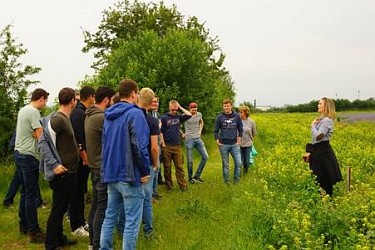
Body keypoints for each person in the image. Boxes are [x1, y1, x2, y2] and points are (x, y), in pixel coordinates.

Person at [100, 79, 150, 250]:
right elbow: (140, 146)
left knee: (110, 216)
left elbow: (105, 144)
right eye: (137, 94)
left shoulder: (108, 115)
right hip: (129, 174)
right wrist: (144, 170)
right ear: (134, 93)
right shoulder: (135, 114)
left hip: (111, 173)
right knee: (131, 221)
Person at [39, 87, 80, 250]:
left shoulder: (64, 118)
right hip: (63, 174)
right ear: (72, 101)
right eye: (75, 99)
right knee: (58, 209)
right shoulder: (58, 119)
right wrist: (54, 165)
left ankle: (60, 238)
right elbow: (42, 142)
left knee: (61, 208)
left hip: (69, 172)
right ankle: (51, 244)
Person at [14, 88, 49, 243]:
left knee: (25, 192)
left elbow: (33, 133)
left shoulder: (23, 109)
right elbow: (40, 135)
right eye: (46, 101)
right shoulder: (34, 111)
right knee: (31, 194)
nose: (45, 104)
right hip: (28, 156)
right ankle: (34, 232)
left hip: (19, 153)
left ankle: (24, 225)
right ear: (41, 98)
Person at [85, 86, 115, 250]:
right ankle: (97, 245)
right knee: (102, 208)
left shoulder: (89, 115)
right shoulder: (102, 118)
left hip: (94, 166)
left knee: (96, 205)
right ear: (107, 100)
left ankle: (92, 242)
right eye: (112, 99)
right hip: (102, 167)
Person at [69, 86, 95, 237]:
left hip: (83, 160)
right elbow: (79, 139)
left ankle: (81, 221)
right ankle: (75, 225)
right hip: (80, 161)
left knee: (81, 191)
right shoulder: (78, 113)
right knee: (77, 192)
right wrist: (85, 157)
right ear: (90, 97)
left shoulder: (82, 111)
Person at [303, 97, 343, 196]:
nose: (318, 105)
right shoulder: (321, 120)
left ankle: (329, 203)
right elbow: (314, 139)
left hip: (323, 153)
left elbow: (318, 137)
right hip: (318, 152)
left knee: (324, 179)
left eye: (320, 104)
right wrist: (310, 152)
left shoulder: (327, 121)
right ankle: (323, 202)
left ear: (327, 107)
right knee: (317, 179)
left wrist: (312, 126)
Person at [137, 87, 160, 238]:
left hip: (131, 162)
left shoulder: (129, 116)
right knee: (146, 198)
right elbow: (154, 147)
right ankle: (148, 231)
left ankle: (121, 229)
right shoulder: (151, 120)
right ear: (151, 101)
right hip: (146, 163)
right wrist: (156, 163)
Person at [3, 130, 46, 208]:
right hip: (23, 151)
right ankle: (38, 201)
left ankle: (8, 200)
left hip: (19, 149)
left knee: (19, 178)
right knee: (29, 177)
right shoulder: (31, 121)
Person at [160, 100, 191, 192]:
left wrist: (180, 107)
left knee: (179, 167)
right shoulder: (164, 118)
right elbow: (160, 132)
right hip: (167, 146)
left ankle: (183, 186)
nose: (174, 111)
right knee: (167, 167)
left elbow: (189, 114)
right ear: (169, 108)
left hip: (177, 146)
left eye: (176, 110)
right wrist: (163, 144)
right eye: (173, 110)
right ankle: (169, 187)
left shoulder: (178, 117)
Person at [214, 99, 243, 184]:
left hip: (234, 145)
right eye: (225, 106)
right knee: (225, 165)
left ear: (231, 106)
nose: (226, 107)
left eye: (228, 106)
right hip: (223, 145)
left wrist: (239, 141)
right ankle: (227, 182)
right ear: (223, 107)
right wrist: (217, 141)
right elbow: (216, 131)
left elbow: (240, 130)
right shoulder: (219, 117)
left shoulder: (237, 116)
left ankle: (236, 180)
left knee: (238, 163)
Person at [183, 102, 209, 184]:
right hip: (189, 140)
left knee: (205, 157)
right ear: (189, 109)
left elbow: (201, 122)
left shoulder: (199, 114)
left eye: (195, 110)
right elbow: (177, 124)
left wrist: (200, 131)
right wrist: (182, 133)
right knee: (190, 160)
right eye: (192, 110)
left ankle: (197, 176)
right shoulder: (185, 115)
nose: (194, 112)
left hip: (198, 139)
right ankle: (190, 178)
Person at [150, 95, 163, 200]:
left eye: (156, 102)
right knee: (154, 168)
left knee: (157, 168)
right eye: (153, 102)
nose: (155, 104)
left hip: (158, 143)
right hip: (151, 145)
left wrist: (161, 141)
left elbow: (159, 130)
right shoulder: (147, 114)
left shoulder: (157, 114)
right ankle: (152, 193)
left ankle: (155, 192)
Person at [238, 105, 257, 174]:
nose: (239, 113)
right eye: (239, 112)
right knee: (240, 161)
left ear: (246, 113)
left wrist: (250, 139)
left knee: (247, 162)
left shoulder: (252, 122)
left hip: (248, 144)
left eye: (241, 112)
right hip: (239, 144)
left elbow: (254, 133)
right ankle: (238, 175)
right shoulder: (238, 121)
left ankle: (245, 173)